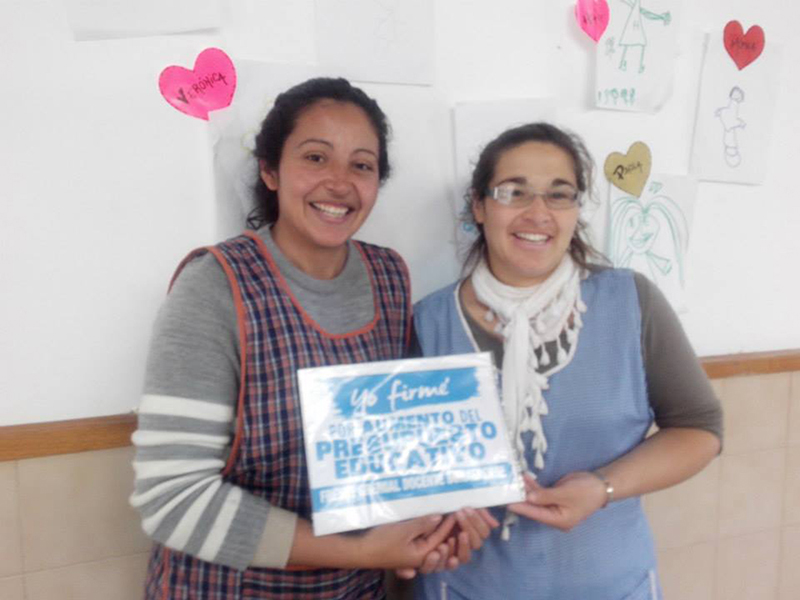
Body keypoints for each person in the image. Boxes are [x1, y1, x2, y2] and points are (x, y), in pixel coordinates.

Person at [130, 77, 492, 600]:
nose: (339, 183)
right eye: (316, 158)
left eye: (361, 165)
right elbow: (173, 499)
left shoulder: (390, 278)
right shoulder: (215, 286)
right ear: (270, 170)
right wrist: (362, 553)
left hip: (353, 590)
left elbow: (397, 452)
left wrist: (442, 522)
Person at [412, 123, 722, 599]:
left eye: (559, 195)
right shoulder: (428, 323)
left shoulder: (629, 302)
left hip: (610, 585)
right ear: (479, 205)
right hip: (466, 586)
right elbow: (405, 470)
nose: (538, 213)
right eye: (514, 192)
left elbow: (700, 429)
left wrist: (602, 487)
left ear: (576, 210)